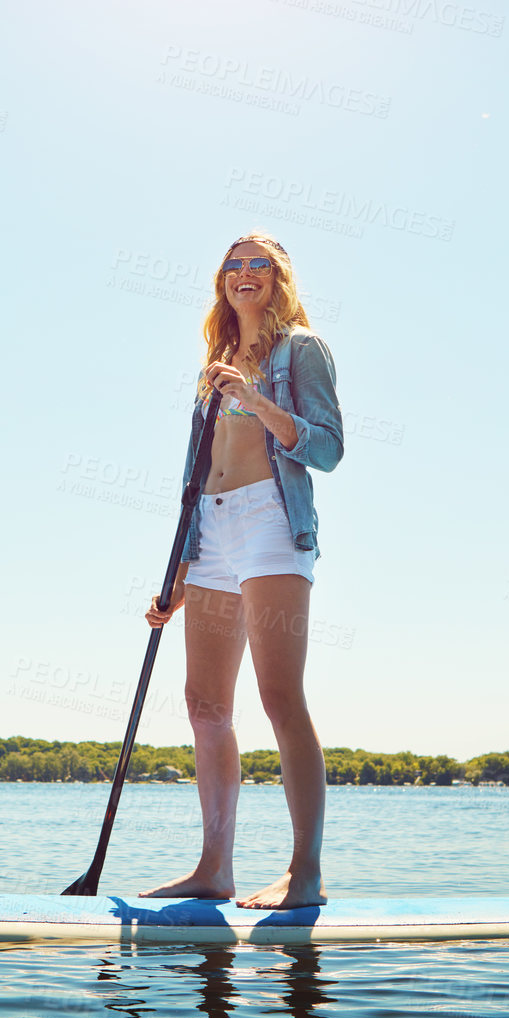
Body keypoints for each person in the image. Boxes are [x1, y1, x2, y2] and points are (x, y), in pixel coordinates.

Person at [140, 233, 344, 910]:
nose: (244, 271)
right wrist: (176, 567)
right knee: (205, 705)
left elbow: (328, 449)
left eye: (259, 263)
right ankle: (214, 868)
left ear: (279, 279)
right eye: (234, 263)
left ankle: (304, 872)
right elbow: (193, 473)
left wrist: (257, 402)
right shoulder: (214, 363)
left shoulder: (300, 350)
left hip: (271, 520)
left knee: (279, 697)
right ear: (222, 281)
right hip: (212, 531)